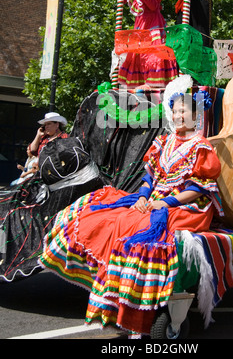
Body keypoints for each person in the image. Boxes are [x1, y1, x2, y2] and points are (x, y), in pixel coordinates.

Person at [39, 75, 223, 337]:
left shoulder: (201, 147)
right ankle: (114, 298)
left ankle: (137, 306)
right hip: (155, 201)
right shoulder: (164, 143)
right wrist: (141, 197)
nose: (179, 115)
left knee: (134, 227)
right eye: (176, 110)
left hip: (187, 208)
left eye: (185, 111)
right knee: (107, 215)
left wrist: (163, 202)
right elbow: (150, 177)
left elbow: (197, 190)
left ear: (196, 116)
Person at [115, 0, 178, 89]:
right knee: (138, 53)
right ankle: (141, 82)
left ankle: (154, 83)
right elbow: (125, 1)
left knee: (154, 52)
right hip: (140, 24)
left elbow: (153, 6)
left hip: (154, 23)